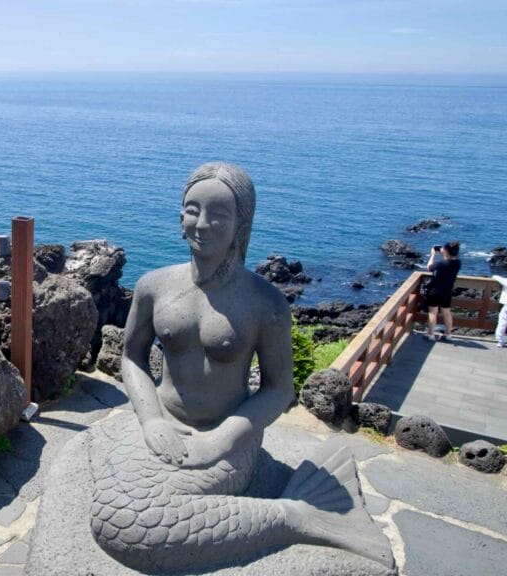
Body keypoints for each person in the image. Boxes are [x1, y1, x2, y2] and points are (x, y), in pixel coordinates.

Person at [89, 162, 392, 573]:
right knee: (113, 512)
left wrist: (220, 441)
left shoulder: (264, 303)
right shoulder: (154, 285)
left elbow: (279, 389)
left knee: (133, 525)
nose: (203, 223)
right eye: (192, 209)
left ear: (240, 225)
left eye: (219, 214)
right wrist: (151, 422)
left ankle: (297, 515)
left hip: (229, 437)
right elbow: (131, 357)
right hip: (161, 422)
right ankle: (293, 513)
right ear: (180, 215)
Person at [424, 240, 462, 341]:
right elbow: (450, 260)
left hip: (435, 290)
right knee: (447, 312)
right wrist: (445, 252)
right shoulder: (458, 263)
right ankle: (448, 334)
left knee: (433, 312)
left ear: (446, 251)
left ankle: (431, 334)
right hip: (447, 291)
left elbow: (429, 267)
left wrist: (432, 255)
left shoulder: (441, 263)